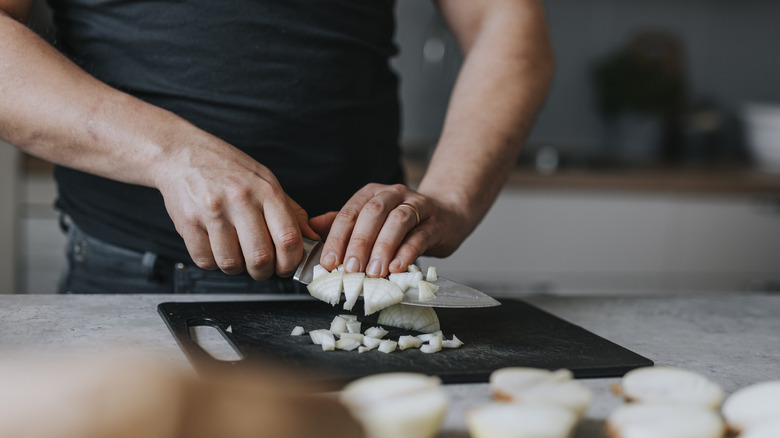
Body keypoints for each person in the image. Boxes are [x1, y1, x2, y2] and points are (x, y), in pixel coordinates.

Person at [0, 0, 554, 293]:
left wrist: (452, 198)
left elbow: (505, 20)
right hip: (132, 279)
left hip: (361, 279)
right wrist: (170, 152)